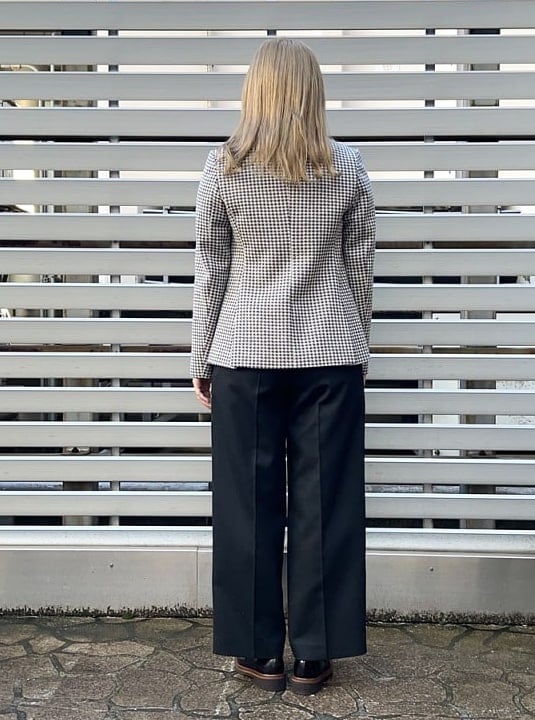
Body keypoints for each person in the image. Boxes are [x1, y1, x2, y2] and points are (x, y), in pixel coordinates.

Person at [191, 37, 376, 696]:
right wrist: (358, 346)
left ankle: (259, 652)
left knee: (248, 505)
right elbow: (359, 264)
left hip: (243, 354)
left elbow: (211, 265)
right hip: (329, 355)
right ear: (313, 93)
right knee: (327, 506)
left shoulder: (223, 168)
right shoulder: (347, 168)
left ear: (256, 92)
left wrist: (201, 355)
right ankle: (315, 656)